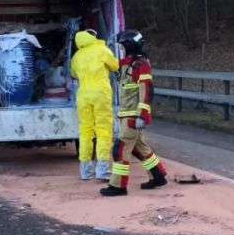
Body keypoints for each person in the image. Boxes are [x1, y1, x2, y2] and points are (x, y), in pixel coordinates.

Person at [101, 30, 167, 196]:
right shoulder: (128, 64)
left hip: (133, 116)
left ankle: (118, 186)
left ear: (130, 46)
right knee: (139, 148)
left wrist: (142, 115)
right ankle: (158, 176)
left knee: (120, 149)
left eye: (123, 47)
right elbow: (116, 64)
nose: (121, 50)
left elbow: (146, 90)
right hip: (127, 115)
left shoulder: (140, 64)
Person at [70, 29, 119, 181]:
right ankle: (102, 169)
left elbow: (73, 74)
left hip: (83, 95)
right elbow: (115, 66)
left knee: (85, 131)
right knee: (103, 130)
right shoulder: (102, 49)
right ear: (94, 37)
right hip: (100, 94)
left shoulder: (76, 56)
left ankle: (85, 170)